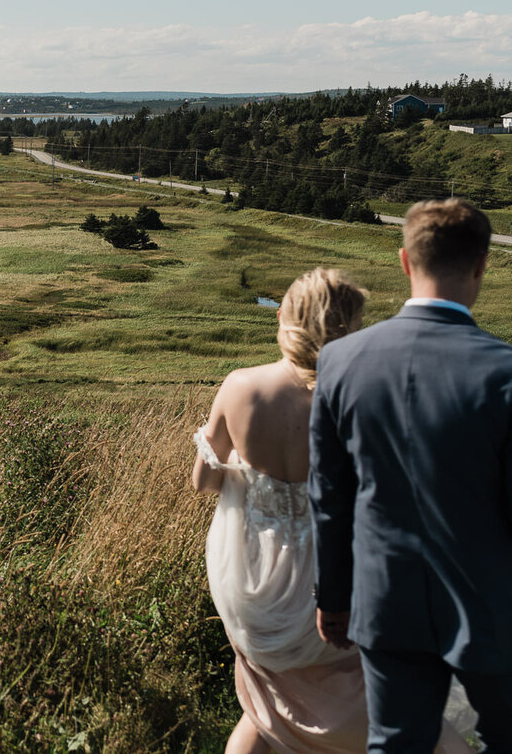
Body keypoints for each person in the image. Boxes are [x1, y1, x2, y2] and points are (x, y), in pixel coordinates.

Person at [310, 198, 512, 753]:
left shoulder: (341, 362)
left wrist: (333, 598)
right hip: (495, 608)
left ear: (405, 261)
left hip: (386, 602)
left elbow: (330, 498)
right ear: (482, 265)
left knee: (395, 744)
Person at [193, 268, 472, 753]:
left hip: (254, 582)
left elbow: (204, 481)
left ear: (286, 319)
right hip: (337, 580)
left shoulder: (240, 387)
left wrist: (244, 463)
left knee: (266, 705)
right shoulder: (360, 397)